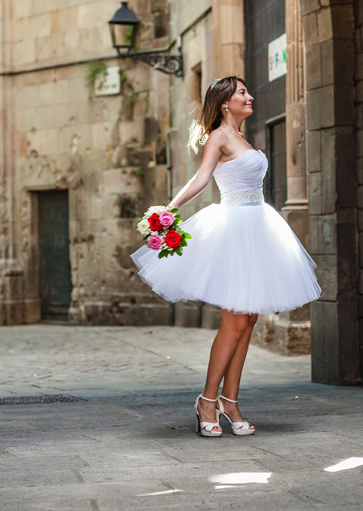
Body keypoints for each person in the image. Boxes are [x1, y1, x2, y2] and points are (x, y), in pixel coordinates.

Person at [131, 76, 321, 437]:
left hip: (258, 225)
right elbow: (201, 179)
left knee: (248, 319)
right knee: (234, 321)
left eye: (247, 91)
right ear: (224, 104)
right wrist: (165, 213)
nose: (250, 97)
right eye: (242, 93)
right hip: (233, 229)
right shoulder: (220, 136)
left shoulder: (243, 138)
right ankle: (206, 399)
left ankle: (229, 401)